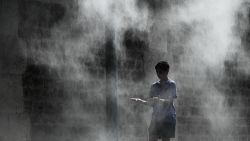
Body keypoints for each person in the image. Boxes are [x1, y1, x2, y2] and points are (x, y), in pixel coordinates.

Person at [148, 61, 177, 141]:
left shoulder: (171, 84)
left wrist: (158, 100)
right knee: (152, 137)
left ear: (166, 71)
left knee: (165, 139)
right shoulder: (154, 86)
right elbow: (151, 102)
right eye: (157, 72)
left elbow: (170, 101)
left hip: (167, 118)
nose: (158, 74)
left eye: (160, 72)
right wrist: (140, 101)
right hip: (156, 117)